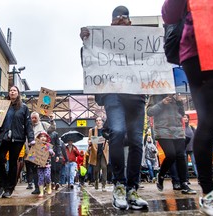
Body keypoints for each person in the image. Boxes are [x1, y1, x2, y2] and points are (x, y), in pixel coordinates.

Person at [80, 6, 148, 210]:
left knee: (136, 142)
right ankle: (119, 184)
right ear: (110, 24)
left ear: (130, 22)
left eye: (124, 19)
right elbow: (88, 62)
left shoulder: (139, 41)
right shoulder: (102, 41)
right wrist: (86, 44)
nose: (120, 22)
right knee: (117, 131)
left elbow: (152, 62)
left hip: (136, 97)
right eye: (116, 20)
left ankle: (132, 189)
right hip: (113, 96)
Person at [162, 1, 213, 214]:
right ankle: (208, 193)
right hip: (199, 51)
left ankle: (206, 192)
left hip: (196, 51)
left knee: (209, 120)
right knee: (209, 120)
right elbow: (169, 13)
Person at [147, 94, 196, 195]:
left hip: (178, 130)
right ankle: (161, 175)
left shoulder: (175, 96)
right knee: (171, 155)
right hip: (162, 130)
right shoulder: (155, 95)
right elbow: (149, 112)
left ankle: (184, 183)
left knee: (181, 156)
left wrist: (179, 102)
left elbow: (182, 114)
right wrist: (162, 103)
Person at [0, 85, 34, 198]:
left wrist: (31, 139)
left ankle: (9, 188)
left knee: (12, 163)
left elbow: (28, 124)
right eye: (10, 90)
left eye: (14, 90)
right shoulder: (3, 105)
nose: (12, 92)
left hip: (17, 138)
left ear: (18, 93)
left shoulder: (23, 107)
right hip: (3, 136)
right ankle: (2, 183)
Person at [26, 111, 56, 194]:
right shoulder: (28, 126)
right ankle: (37, 188)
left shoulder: (43, 124)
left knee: (44, 170)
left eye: (35, 118)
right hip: (31, 151)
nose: (34, 119)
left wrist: (52, 120)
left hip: (42, 152)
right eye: (32, 118)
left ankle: (46, 186)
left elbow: (52, 128)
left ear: (38, 118)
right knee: (35, 170)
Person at [88, 117, 109, 192]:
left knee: (104, 167)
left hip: (104, 151)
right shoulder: (92, 130)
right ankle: (96, 181)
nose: (98, 122)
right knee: (96, 169)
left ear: (102, 122)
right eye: (97, 121)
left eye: (99, 120)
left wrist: (96, 140)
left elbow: (108, 139)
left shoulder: (106, 130)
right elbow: (90, 140)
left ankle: (103, 185)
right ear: (95, 122)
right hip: (95, 152)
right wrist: (100, 139)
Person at [35, 131, 55, 198]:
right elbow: (32, 155)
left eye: (44, 136)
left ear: (47, 138)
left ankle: (48, 186)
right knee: (40, 178)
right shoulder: (36, 145)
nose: (43, 138)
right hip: (39, 165)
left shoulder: (48, 145)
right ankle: (41, 192)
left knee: (47, 176)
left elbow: (53, 154)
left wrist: (51, 151)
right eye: (41, 136)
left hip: (47, 165)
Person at [183, 114, 198, 179]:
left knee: (194, 163)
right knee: (185, 165)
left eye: (186, 117)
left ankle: (199, 178)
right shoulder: (181, 128)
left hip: (192, 149)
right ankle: (186, 179)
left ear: (188, 119)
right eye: (184, 117)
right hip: (184, 149)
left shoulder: (191, 127)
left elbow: (196, 137)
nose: (185, 118)